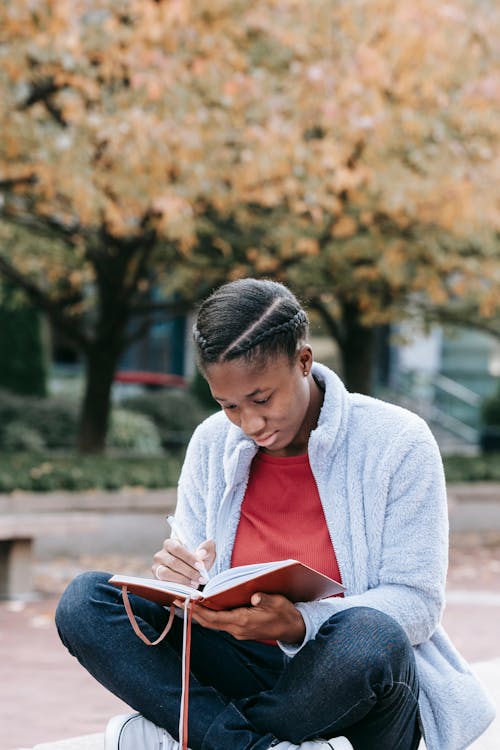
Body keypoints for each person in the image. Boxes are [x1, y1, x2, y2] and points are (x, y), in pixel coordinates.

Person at [56, 278, 495, 750]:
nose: (250, 424)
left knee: (371, 635)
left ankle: (196, 736)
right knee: (86, 601)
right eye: (228, 406)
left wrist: (299, 623)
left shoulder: (398, 442)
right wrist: (179, 581)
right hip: (240, 665)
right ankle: (251, 745)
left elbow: (417, 603)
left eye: (262, 399)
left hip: (350, 683)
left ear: (304, 361)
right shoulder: (211, 442)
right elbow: (197, 577)